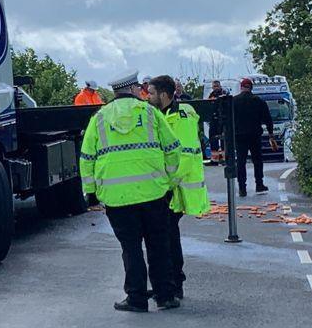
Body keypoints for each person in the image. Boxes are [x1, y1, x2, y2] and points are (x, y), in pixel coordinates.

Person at [79, 79, 182, 312]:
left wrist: (91, 192)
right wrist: (170, 182)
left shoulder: (99, 118)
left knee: (131, 247)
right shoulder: (151, 114)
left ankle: (136, 298)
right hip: (153, 192)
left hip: (117, 197)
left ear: (115, 92)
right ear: (134, 90)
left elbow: (86, 158)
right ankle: (165, 296)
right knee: (158, 244)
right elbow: (173, 148)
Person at [150, 75, 207, 301]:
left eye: (152, 93)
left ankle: (174, 284)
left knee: (168, 238)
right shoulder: (160, 114)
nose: (148, 97)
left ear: (164, 94)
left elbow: (182, 156)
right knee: (165, 237)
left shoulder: (181, 116)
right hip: (167, 187)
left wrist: (165, 185)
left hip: (173, 188)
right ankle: (168, 284)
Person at [230, 77, 275, 196]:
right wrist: (271, 134)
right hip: (255, 135)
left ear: (241, 88)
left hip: (239, 136)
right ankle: (259, 184)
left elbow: (227, 119)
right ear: (251, 88)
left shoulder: (234, 101)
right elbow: (268, 119)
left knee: (241, 161)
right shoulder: (258, 101)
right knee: (257, 160)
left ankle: (242, 188)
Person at [204, 80, 228, 160]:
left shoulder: (224, 94)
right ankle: (215, 158)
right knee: (213, 138)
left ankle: (224, 158)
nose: (215, 88)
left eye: (217, 86)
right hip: (213, 120)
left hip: (223, 120)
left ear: (220, 86)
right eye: (214, 86)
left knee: (224, 139)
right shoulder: (211, 95)